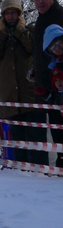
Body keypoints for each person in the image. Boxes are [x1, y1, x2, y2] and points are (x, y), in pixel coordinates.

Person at [0, 0, 45, 165]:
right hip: (10, 97)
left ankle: (40, 171)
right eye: (7, 13)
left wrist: (19, 30)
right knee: (17, 140)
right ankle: (20, 174)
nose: (10, 17)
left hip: (30, 95)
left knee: (36, 139)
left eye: (14, 13)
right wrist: (3, 33)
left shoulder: (29, 30)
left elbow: (33, 47)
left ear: (19, 14)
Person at [29, 0, 63, 100]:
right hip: (45, 86)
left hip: (58, 85)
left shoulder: (60, 15)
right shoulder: (41, 19)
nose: (40, 2)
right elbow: (41, 51)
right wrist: (36, 70)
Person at [43, 24, 63, 167]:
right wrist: (48, 95)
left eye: (57, 42)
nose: (56, 48)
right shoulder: (54, 65)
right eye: (52, 47)